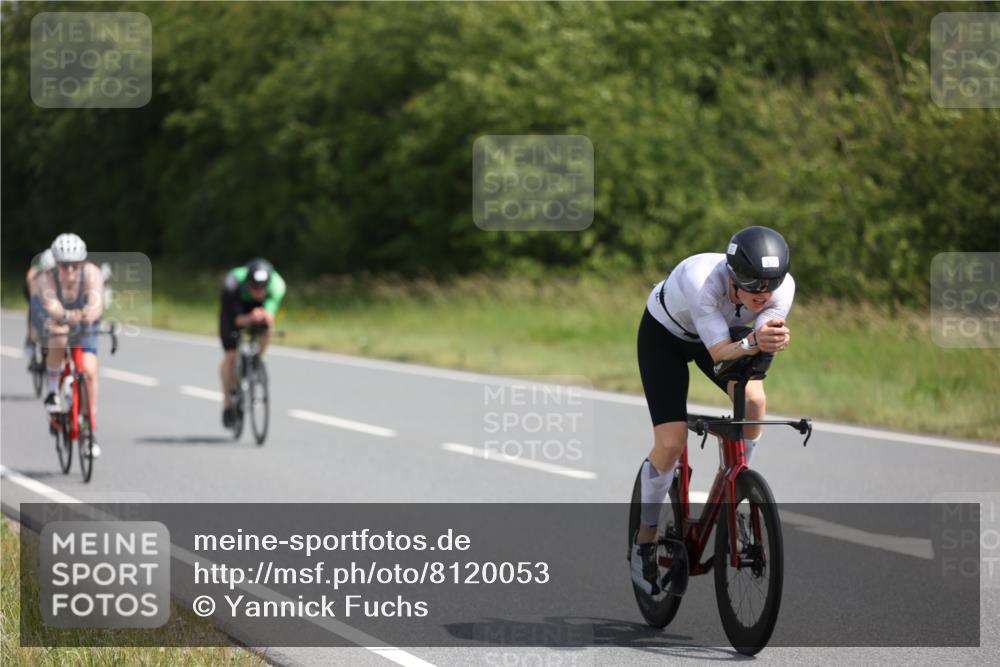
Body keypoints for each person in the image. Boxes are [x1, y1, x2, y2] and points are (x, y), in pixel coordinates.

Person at [630, 226, 794, 589]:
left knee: (753, 400)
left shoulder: (781, 288)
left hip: (725, 335)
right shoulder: (701, 280)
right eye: (750, 283)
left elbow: (760, 337)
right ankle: (644, 541)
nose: (761, 293)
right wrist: (754, 340)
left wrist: (767, 338)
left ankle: (737, 482)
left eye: (769, 284)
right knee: (671, 442)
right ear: (732, 275)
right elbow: (719, 352)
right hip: (666, 339)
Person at [36, 233, 105, 457]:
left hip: (86, 322)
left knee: (90, 369)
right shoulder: (46, 277)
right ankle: (53, 391)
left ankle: (88, 428)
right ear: (56, 265)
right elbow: (51, 304)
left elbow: (96, 302)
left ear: (82, 262)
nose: (70, 271)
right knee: (58, 337)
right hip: (60, 319)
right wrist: (65, 315)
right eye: (64, 266)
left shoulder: (92, 273)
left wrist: (88, 314)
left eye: (75, 265)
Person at [219, 258, 286, 427]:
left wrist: (264, 315)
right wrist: (247, 318)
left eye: (262, 289)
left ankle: (259, 358)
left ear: (268, 285)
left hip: (259, 309)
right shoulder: (233, 281)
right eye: (254, 288)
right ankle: (228, 403)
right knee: (231, 356)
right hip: (236, 308)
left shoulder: (277, 285)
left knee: (266, 326)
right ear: (247, 283)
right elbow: (233, 316)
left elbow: (270, 314)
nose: (258, 292)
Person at [24, 248, 56, 358]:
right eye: (49, 271)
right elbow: (30, 278)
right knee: (33, 308)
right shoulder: (39, 270)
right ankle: (30, 340)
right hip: (36, 291)